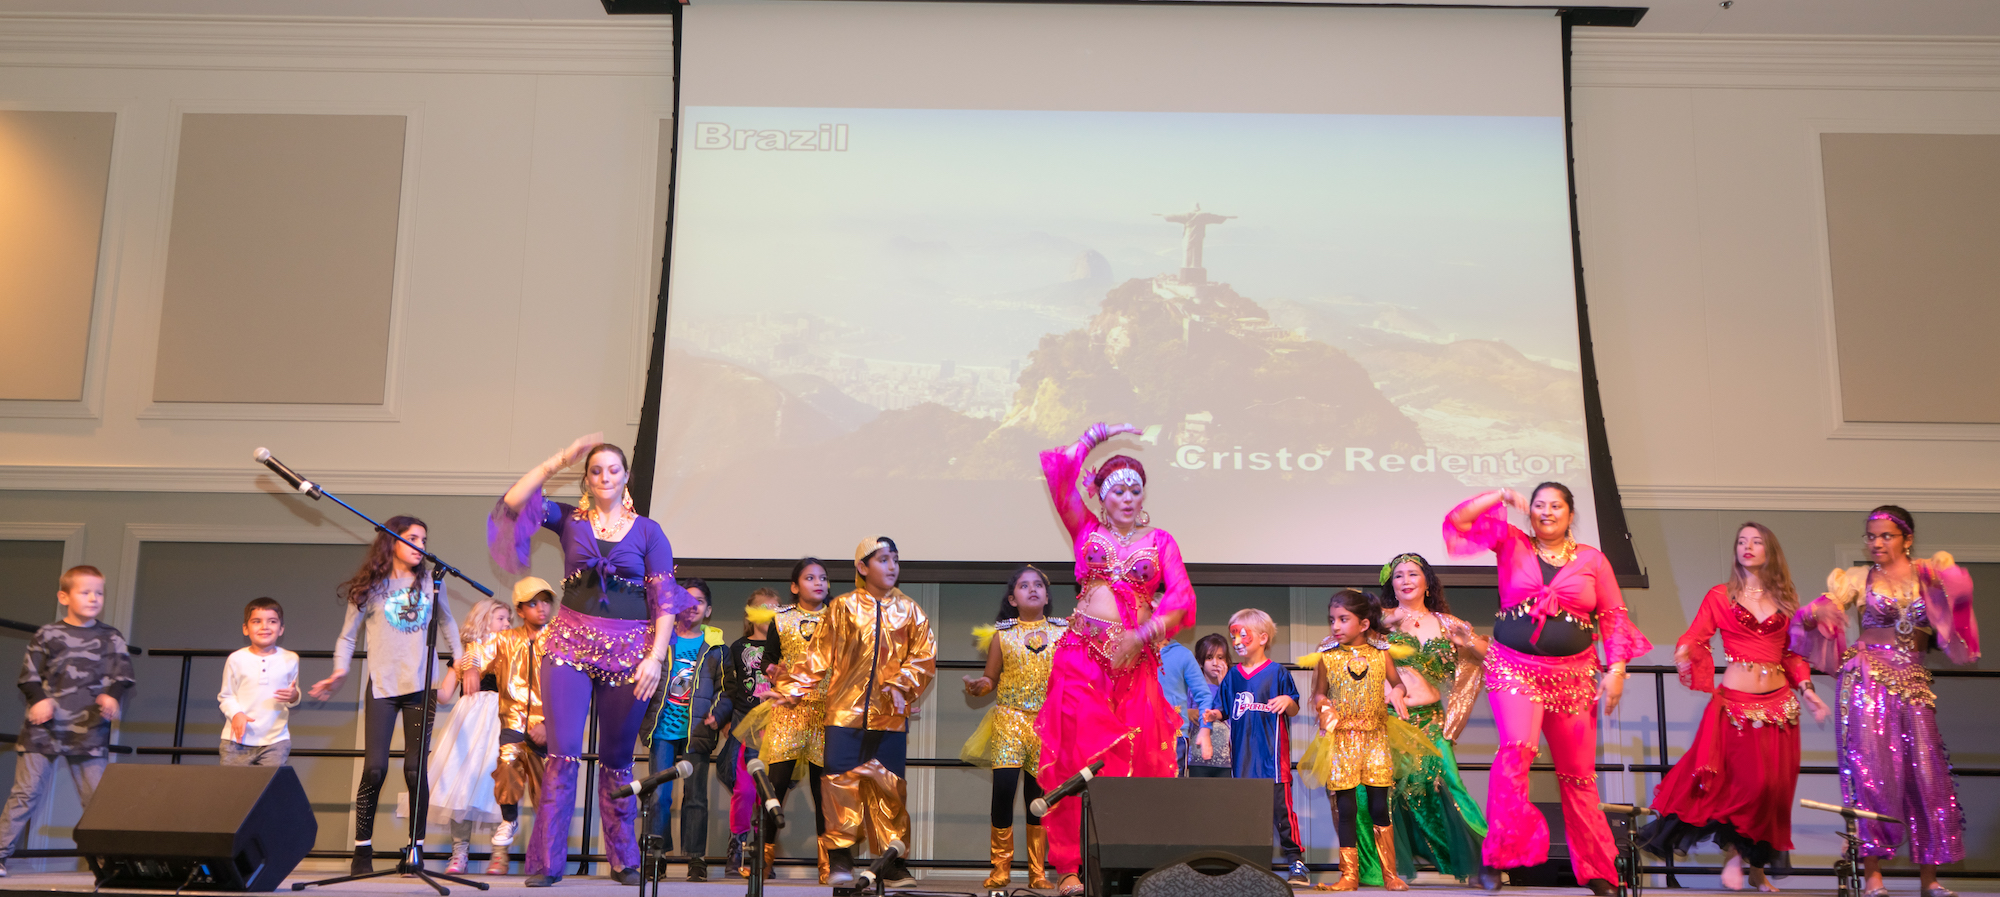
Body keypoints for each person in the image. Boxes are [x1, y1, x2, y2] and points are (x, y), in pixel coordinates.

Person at [487, 434, 697, 886]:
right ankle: (547, 863)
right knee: (562, 754)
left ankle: (624, 859)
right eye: (596, 470)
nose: (605, 477)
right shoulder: (569, 520)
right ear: (586, 478)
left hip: (631, 653)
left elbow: (665, 602)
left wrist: (655, 658)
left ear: (626, 477)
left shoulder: (649, 532)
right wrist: (561, 458)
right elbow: (514, 500)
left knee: (618, 759)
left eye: (613, 470)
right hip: (569, 647)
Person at [1444, 484, 1651, 895]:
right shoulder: (1512, 543)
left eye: (1556, 506)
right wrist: (1500, 495)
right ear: (1530, 513)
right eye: (1539, 505)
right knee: (1516, 751)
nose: (1547, 512)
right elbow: (1459, 523)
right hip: (1513, 669)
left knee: (1578, 775)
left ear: (1570, 514)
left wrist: (1617, 669)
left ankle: (1598, 871)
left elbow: (1613, 615)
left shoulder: (1593, 560)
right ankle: (1497, 858)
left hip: (1574, 676)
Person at [1033, 422, 1195, 896]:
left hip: (1134, 666)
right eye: (1117, 490)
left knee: (1137, 756)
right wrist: (1094, 437)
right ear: (1102, 496)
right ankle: (1069, 867)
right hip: (1081, 659)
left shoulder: (1161, 541)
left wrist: (1143, 634)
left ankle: (1133, 861)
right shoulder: (1084, 528)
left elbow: (1182, 597)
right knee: (1075, 757)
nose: (1127, 498)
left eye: (1135, 490)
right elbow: (1060, 475)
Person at [1794, 506, 1977, 897]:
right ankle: (1874, 876)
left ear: (1907, 539)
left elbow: (1956, 615)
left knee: (1927, 776)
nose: (1876, 543)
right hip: (1868, 681)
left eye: (1886, 536)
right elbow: (1813, 614)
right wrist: (1817, 612)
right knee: (1873, 774)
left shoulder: (1929, 574)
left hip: (1913, 683)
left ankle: (1929, 879)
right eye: (1871, 536)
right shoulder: (1857, 578)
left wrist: (1953, 584)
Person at [1641, 524, 1830, 891]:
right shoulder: (1721, 596)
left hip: (1779, 709)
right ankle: (1734, 857)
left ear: (1770, 551)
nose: (1747, 547)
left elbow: (1792, 655)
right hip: (1736, 708)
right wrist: (1685, 650)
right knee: (1744, 785)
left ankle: (1756, 868)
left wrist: (1808, 690)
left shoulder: (1787, 599)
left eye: (1756, 542)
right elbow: (1696, 635)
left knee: (1772, 790)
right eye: (1742, 542)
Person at [769, 537, 937, 889]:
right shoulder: (842, 607)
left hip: (890, 717)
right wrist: (790, 689)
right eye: (883, 559)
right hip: (844, 715)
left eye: (895, 560)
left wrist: (902, 684)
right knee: (838, 786)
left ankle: (892, 864)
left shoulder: (910, 611)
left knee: (890, 789)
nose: (892, 566)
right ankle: (840, 858)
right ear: (862, 567)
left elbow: (924, 656)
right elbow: (817, 656)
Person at [310, 516, 463, 875]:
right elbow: (348, 635)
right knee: (375, 768)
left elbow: (447, 623)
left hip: (421, 685)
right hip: (382, 686)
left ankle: (415, 849)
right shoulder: (370, 587)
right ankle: (362, 850)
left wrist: (463, 661)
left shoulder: (430, 582)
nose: (420, 546)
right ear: (392, 541)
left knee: (415, 769)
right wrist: (340, 670)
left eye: (424, 540)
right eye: (412, 538)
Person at [1357, 553, 1489, 886]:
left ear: (1427, 582)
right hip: (1388, 718)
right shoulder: (1379, 620)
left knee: (1451, 786)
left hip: (1430, 720)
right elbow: (1344, 649)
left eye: (1413, 574)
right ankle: (1376, 868)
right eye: (1398, 575)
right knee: (1374, 790)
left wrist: (1468, 641)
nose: (1405, 581)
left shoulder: (1447, 623)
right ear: (1391, 584)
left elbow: (1491, 656)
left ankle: (1483, 864)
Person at [0, 565, 134, 878]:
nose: (94, 598)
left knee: (97, 799)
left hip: (89, 732)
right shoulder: (47, 634)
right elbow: (28, 677)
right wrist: (39, 700)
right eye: (85, 592)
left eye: (99, 593)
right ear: (64, 597)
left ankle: (107, 863)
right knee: (25, 794)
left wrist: (112, 696)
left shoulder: (111, 636)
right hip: (43, 731)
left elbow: (123, 676)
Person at [1297, 589, 1428, 892]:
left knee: (1380, 806)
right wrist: (1324, 706)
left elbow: (1397, 683)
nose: (1335, 626)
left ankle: (1390, 873)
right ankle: (1348, 875)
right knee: (1347, 809)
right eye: (1332, 620)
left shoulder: (1381, 653)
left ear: (1364, 624)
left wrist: (1398, 693)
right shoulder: (1327, 655)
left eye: (1343, 619)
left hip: (1375, 739)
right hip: (1342, 740)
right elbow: (1318, 692)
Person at [961, 565, 1063, 890]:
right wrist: (979, 686)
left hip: (1046, 724)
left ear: (1046, 596)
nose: (1032, 589)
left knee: (1038, 797)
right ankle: (1000, 868)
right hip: (1009, 720)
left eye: (1038, 585)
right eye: (1024, 585)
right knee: (1003, 790)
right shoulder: (1002, 636)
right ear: (1012, 599)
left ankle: (1037, 871)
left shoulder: (1063, 633)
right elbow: (990, 679)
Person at [748, 558, 833, 883]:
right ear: (795, 587)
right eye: (810, 577)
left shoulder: (838, 619)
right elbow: (768, 660)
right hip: (788, 711)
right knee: (776, 785)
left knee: (825, 791)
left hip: (826, 713)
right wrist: (774, 671)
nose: (818, 582)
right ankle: (762, 859)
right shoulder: (781, 619)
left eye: (823, 577)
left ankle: (829, 865)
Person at [638, 577, 726, 882]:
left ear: (708, 610)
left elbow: (725, 689)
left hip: (696, 732)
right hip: (662, 729)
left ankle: (696, 858)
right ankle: (656, 856)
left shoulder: (716, 648)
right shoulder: (661, 641)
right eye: (686, 600)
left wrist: (717, 713)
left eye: (699, 601)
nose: (692, 606)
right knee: (659, 796)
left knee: (696, 797)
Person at [466, 576, 553, 875]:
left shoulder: (559, 640)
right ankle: (508, 818)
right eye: (534, 603)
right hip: (513, 719)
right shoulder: (505, 640)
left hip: (548, 724)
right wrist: (471, 668)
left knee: (546, 790)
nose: (542, 608)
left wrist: (549, 724)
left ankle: (545, 855)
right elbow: (477, 650)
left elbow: (571, 688)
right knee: (506, 761)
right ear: (520, 609)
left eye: (546, 602)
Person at [1214, 608, 1307, 885]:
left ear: (1263, 638)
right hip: (1243, 762)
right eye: (1233, 636)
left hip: (1273, 761)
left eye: (1243, 635)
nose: (1237, 642)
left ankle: (1296, 862)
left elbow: (1294, 707)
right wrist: (1213, 714)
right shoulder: (1233, 676)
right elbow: (1223, 709)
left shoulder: (1277, 672)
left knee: (1282, 814)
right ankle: (1248, 866)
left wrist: (1287, 702)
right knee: (1245, 816)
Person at [425, 599, 513, 873]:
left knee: (496, 784)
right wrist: (422, 678)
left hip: (499, 719)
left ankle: (499, 853)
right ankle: (459, 852)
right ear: (484, 620)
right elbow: (444, 695)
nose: (507, 623)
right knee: (459, 783)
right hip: (468, 722)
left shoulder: (512, 650)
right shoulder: (465, 654)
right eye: (501, 618)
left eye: (509, 619)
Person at [720, 588, 780, 878]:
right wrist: (726, 720)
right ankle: (738, 845)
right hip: (747, 725)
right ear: (751, 614)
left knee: (768, 792)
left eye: (776, 609)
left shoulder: (785, 649)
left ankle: (762, 852)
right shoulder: (738, 647)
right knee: (744, 789)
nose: (770, 615)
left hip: (777, 725)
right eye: (764, 609)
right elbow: (730, 688)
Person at [218, 597, 302, 767]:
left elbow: (293, 697)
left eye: (272, 621)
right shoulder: (236, 659)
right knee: (233, 783)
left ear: (281, 629)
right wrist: (237, 714)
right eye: (257, 621)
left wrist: (293, 696)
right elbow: (226, 696)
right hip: (237, 740)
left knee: (271, 783)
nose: (265, 627)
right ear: (245, 628)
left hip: (276, 740)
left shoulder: (290, 658)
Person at [1158, 633, 1214, 776]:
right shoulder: (1134, 653)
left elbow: (1204, 696)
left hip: (1174, 735)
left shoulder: (1183, 655)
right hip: (1138, 734)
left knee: (1172, 788)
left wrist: (1205, 729)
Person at [1184, 634, 1233, 778]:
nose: (1215, 663)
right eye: (1209, 658)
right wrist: (1188, 712)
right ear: (1200, 662)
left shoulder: (1232, 688)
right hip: (1198, 759)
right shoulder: (1192, 689)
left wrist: (1224, 685)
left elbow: (1233, 717)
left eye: (1220, 657)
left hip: (1226, 760)